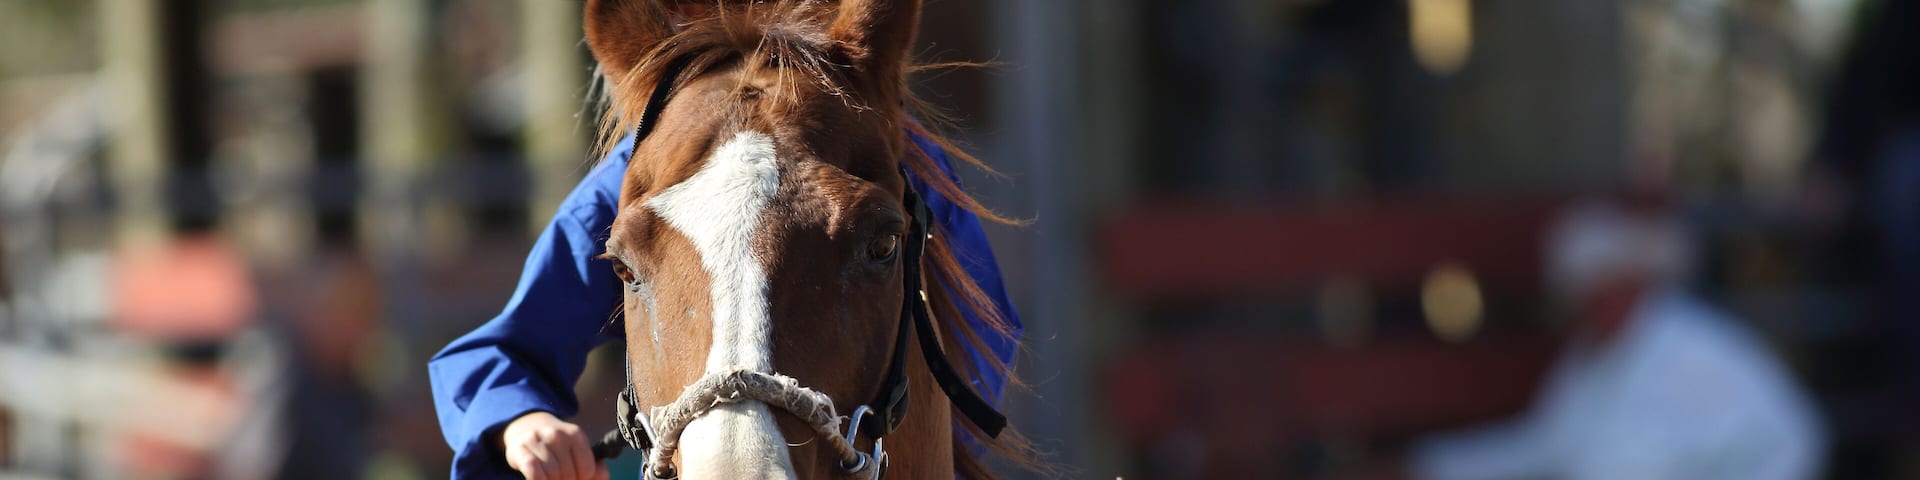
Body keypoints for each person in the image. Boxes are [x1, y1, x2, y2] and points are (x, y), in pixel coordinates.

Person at [428, 132, 1023, 479]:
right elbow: (504, 352)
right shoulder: (643, 170)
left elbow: (978, 350)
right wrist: (521, 422)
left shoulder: (894, 153)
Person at [1407, 201, 1825, 480]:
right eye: (1581, 297)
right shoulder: (1592, 360)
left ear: (1631, 283)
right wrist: (1425, 465)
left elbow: (1792, 439)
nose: (1586, 309)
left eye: (1596, 293)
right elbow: (1547, 446)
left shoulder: (1694, 347)